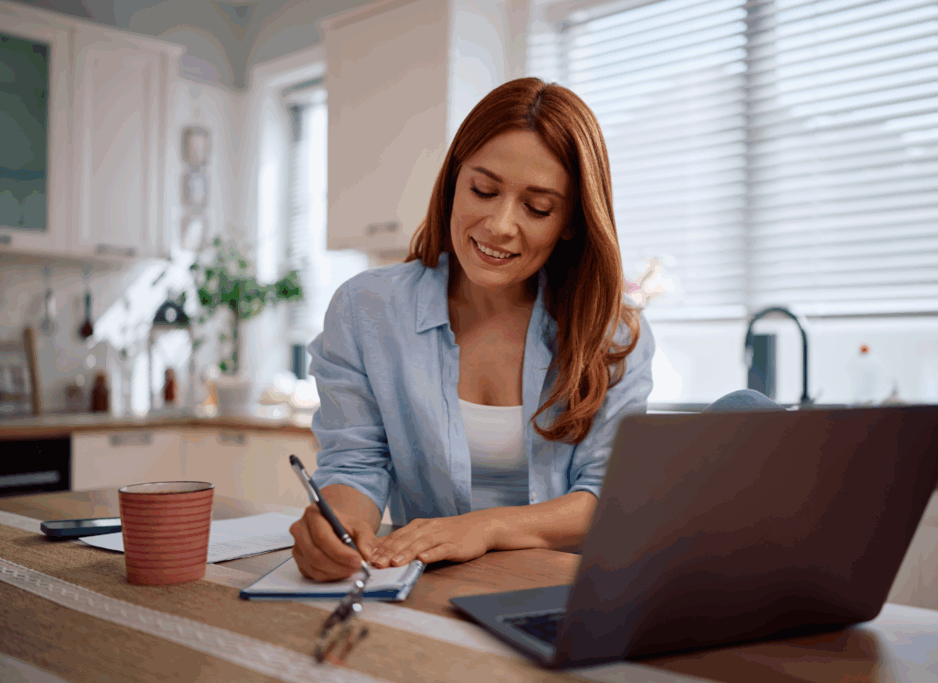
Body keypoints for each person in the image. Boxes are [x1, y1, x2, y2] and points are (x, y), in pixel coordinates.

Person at [289, 78, 780, 582]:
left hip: (565, 593)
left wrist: (486, 528)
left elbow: (606, 493)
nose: (501, 224)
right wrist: (339, 526)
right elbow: (354, 466)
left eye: (538, 207)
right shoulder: (366, 310)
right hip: (434, 590)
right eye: (483, 189)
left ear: (570, 220)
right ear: (454, 180)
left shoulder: (611, 332)